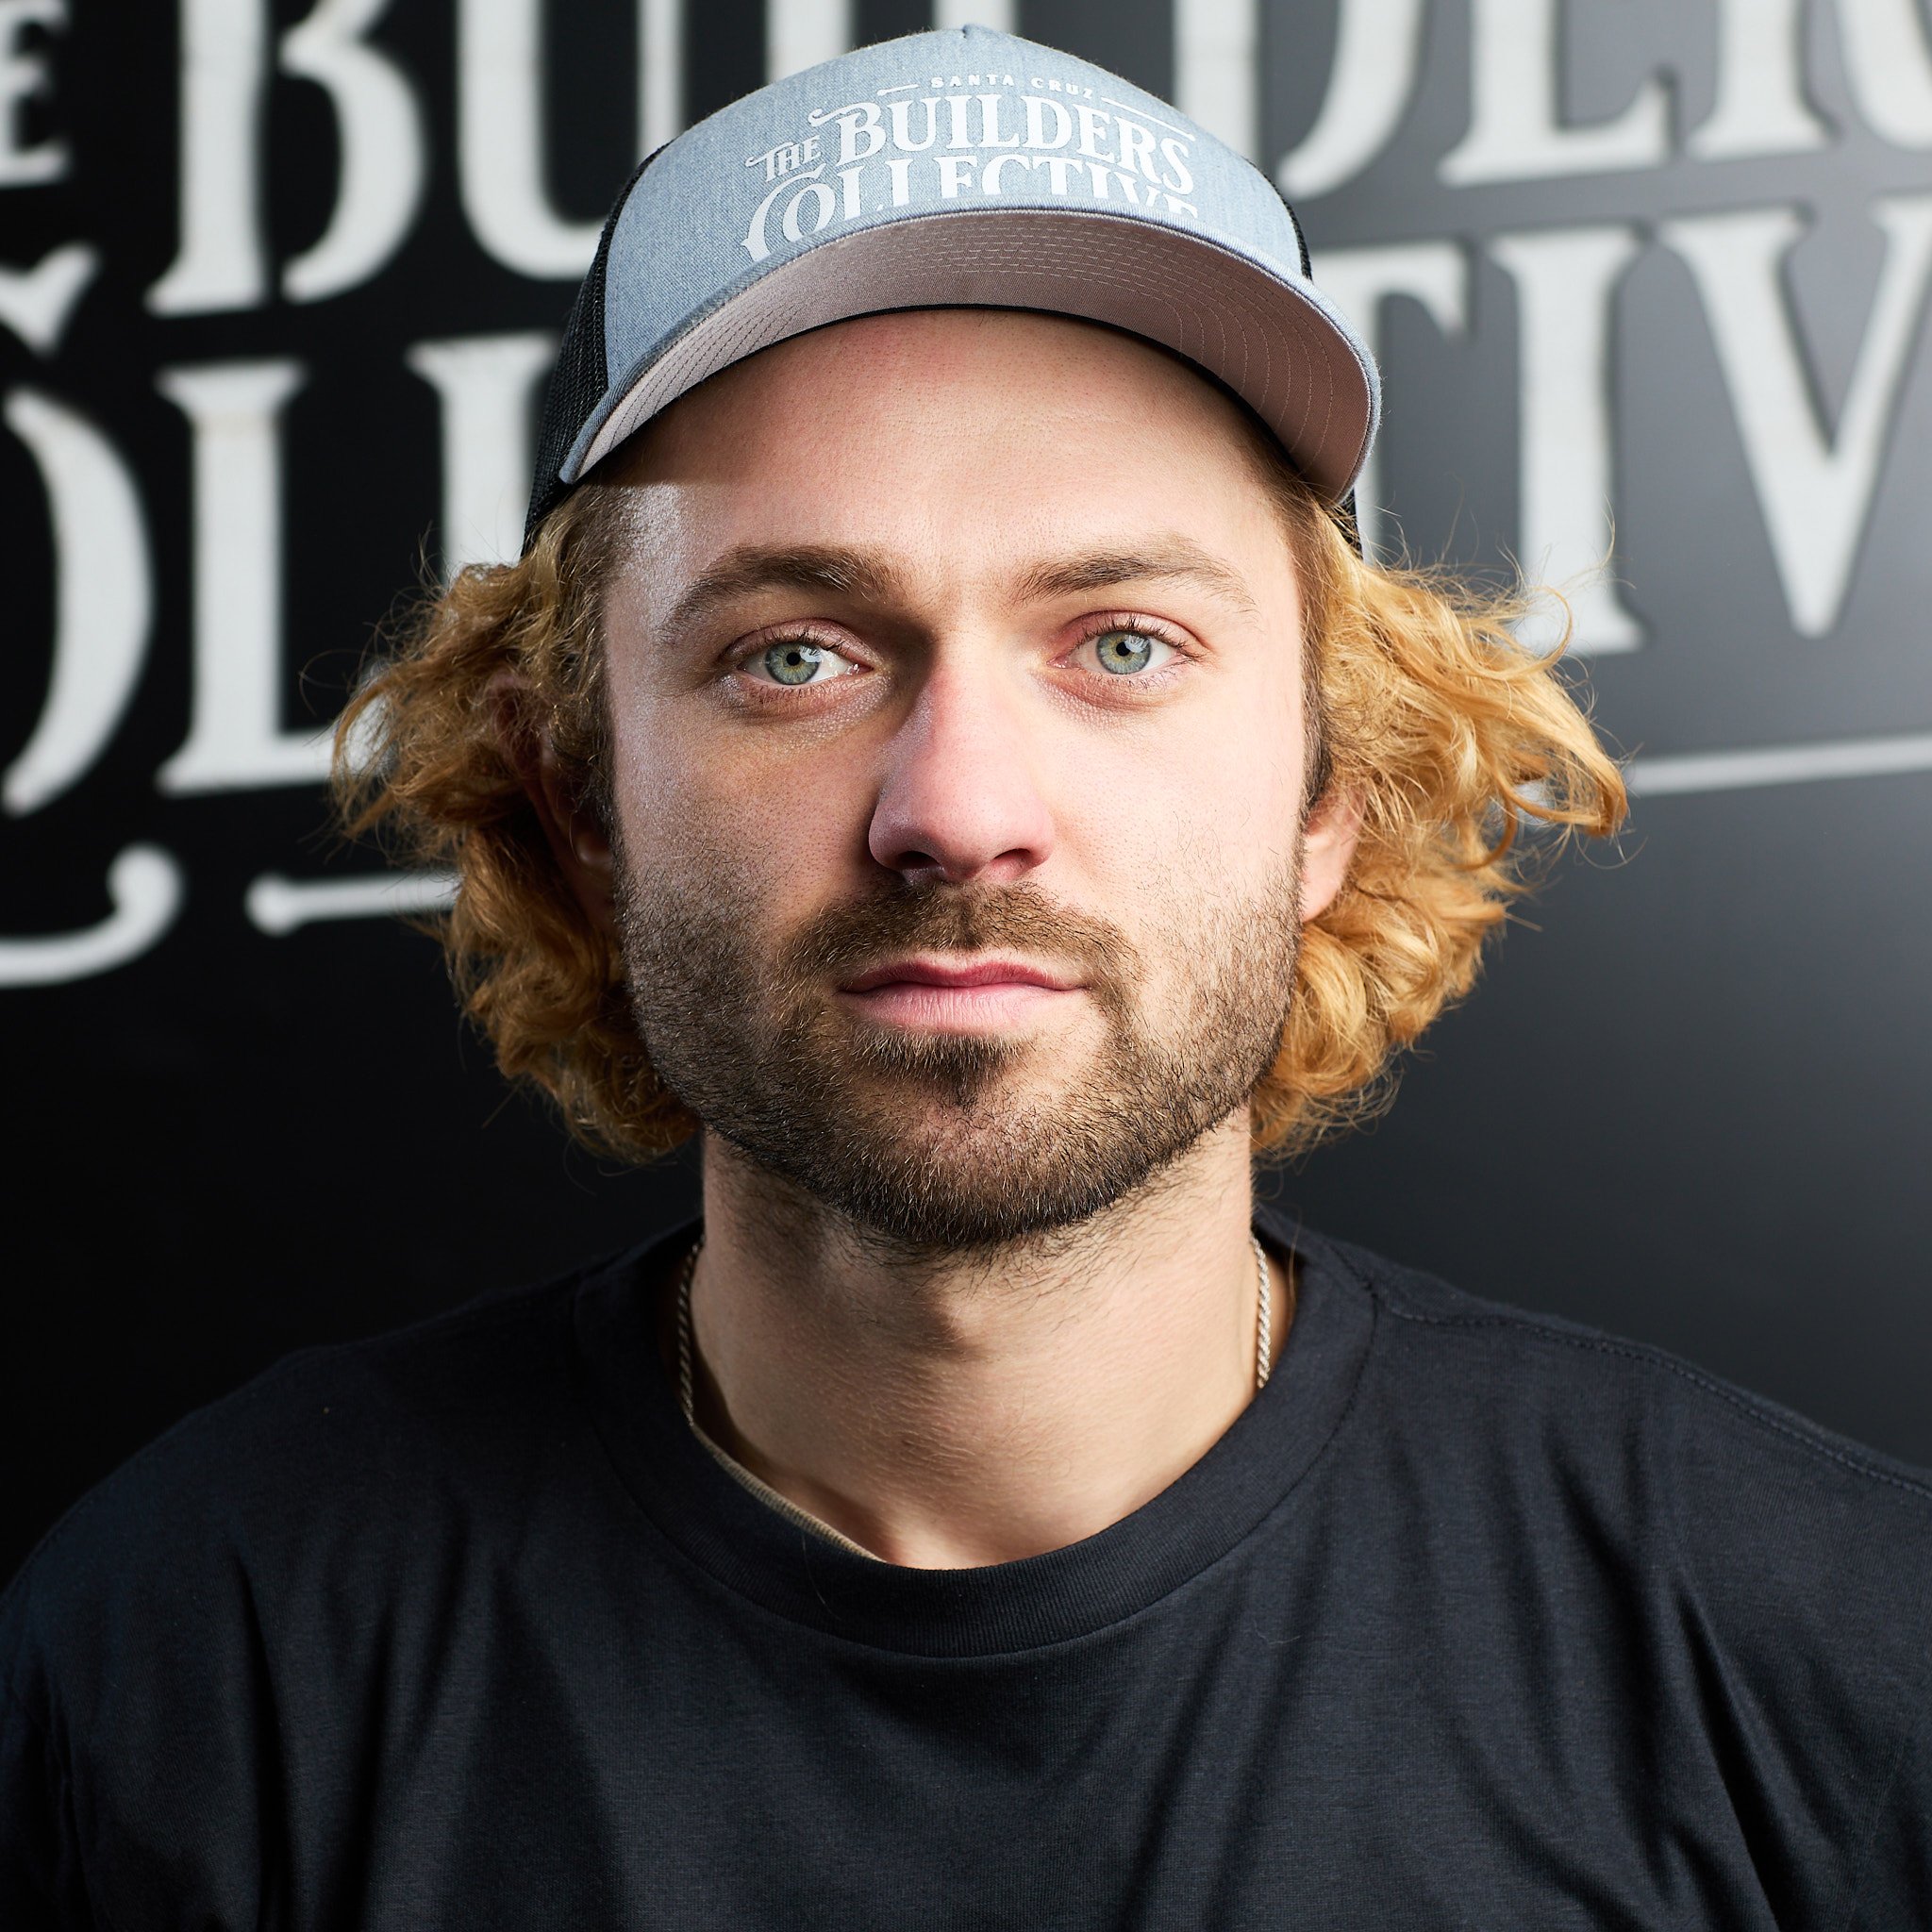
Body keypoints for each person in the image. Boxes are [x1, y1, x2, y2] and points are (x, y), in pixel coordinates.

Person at [5, 25, 1929, 1927]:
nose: (956, 811)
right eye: (794, 656)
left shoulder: (1814, 1654)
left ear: (1330, 787)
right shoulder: (189, 1655)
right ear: (573, 792)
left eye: (1120, 643)